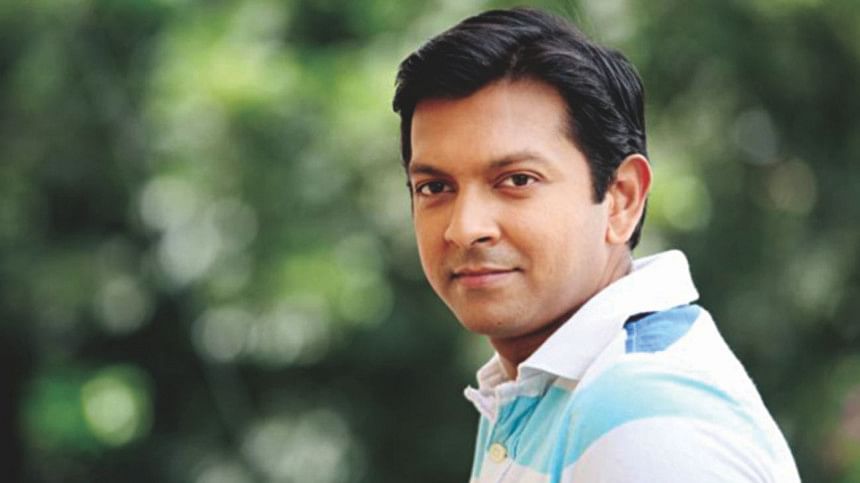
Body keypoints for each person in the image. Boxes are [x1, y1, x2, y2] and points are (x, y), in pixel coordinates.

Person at [391, 7, 801, 483]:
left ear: (621, 198)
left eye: (517, 180)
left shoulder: (647, 421)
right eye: (435, 187)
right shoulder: (538, 390)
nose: (464, 228)